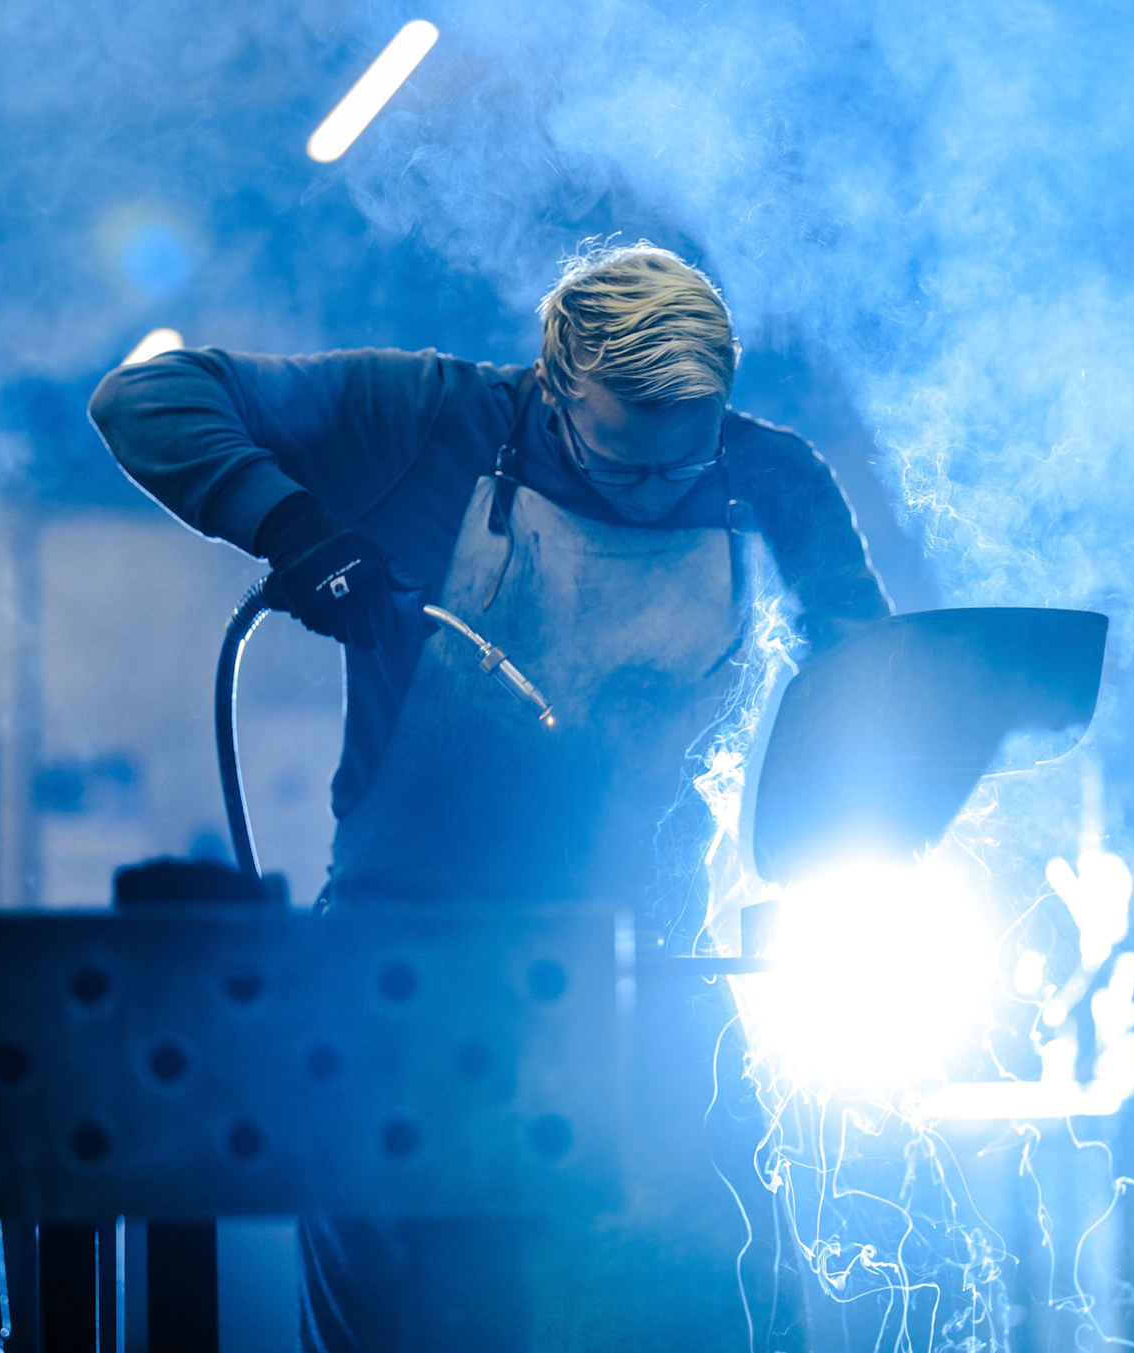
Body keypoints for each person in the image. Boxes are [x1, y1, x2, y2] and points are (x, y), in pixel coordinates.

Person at [90, 242, 892, 1351]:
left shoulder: (775, 479)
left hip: (648, 978)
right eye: (627, 468)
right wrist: (298, 534)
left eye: (684, 462)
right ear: (556, 391)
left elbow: (868, 681)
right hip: (404, 983)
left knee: (711, 1318)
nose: (660, 492)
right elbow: (145, 397)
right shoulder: (424, 418)